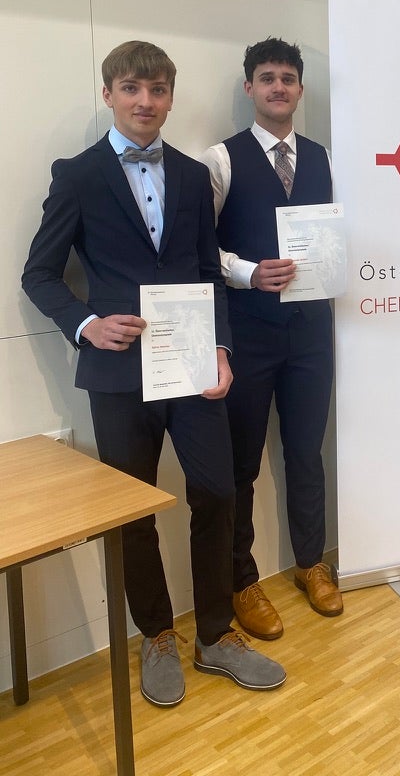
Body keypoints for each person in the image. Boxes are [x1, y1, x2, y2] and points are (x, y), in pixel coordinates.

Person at [22, 40, 286, 707]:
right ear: (109, 93)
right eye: (133, 89)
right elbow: (39, 274)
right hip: (118, 374)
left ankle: (216, 635)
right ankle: (158, 636)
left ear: (170, 96)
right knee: (133, 511)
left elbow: (207, 271)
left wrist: (222, 348)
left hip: (193, 364)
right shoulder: (78, 175)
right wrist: (87, 324)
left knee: (220, 493)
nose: (147, 102)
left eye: (159, 89)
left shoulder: (196, 177)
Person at [202, 37, 341, 640]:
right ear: (249, 88)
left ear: (301, 90)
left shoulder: (324, 157)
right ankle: (242, 578)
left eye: (288, 77)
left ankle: (311, 562)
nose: (278, 87)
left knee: (307, 453)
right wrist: (247, 272)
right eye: (266, 78)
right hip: (249, 332)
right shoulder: (220, 161)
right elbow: (198, 247)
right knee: (241, 465)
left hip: (312, 332)